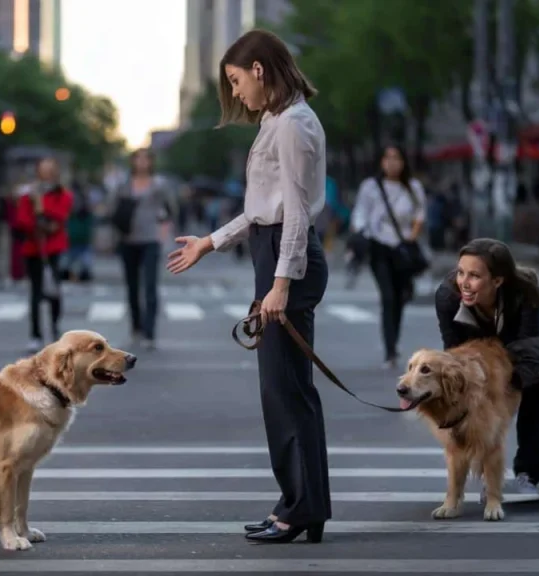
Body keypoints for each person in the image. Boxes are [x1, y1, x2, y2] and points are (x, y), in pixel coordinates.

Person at [166, 28, 331, 544]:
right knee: (284, 392)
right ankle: (301, 504)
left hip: (287, 259)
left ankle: (300, 508)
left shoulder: (293, 125)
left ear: (259, 69)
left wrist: (281, 283)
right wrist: (210, 242)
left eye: (237, 81)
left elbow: (297, 215)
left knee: (286, 392)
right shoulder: (277, 119)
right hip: (273, 252)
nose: (236, 92)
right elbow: (261, 209)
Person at [434, 238, 539, 500]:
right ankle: (488, 474)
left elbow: (524, 346)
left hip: (518, 353)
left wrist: (498, 380)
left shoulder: (524, 291)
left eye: (474, 276)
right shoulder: (448, 296)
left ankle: (527, 472)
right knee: (476, 402)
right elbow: (453, 350)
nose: (464, 283)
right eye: (461, 273)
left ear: (498, 280)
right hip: (472, 355)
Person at [348, 144, 427, 369]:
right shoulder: (371, 186)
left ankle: (394, 342)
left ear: (403, 162)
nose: (392, 162)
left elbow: (419, 215)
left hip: (402, 249)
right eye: (388, 158)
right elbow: (361, 212)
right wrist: (360, 233)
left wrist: (411, 238)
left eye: (397, 158)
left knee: (400, 297)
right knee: (388, 297)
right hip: (378, 247)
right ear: (382, 161)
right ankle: (390, 350)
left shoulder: (413, 187)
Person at [109, 148, 179, 349]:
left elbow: (171, 209)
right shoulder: (123, 185)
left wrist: (164, 230)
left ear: (151, 162)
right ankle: (136, 328)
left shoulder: (159, 185)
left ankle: (149, 332)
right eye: (137, 159)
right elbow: (113, 208)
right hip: (128, 239)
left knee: (150, 286)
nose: (141, 163)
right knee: (132, 286)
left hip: (150, 239)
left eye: (145, 159)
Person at [14, 157, 73, 352]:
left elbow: (60, 217)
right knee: (35, 292)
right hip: (33, 247)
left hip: (53, 248)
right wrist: (40, 221)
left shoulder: (61, 194)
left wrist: (40, 208)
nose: (47, 173)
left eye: (50, 169)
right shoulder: (28, 194)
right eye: (43, 169)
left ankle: (55, 328)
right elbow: (23, 220)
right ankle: (35, 334)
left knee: (54, 290)